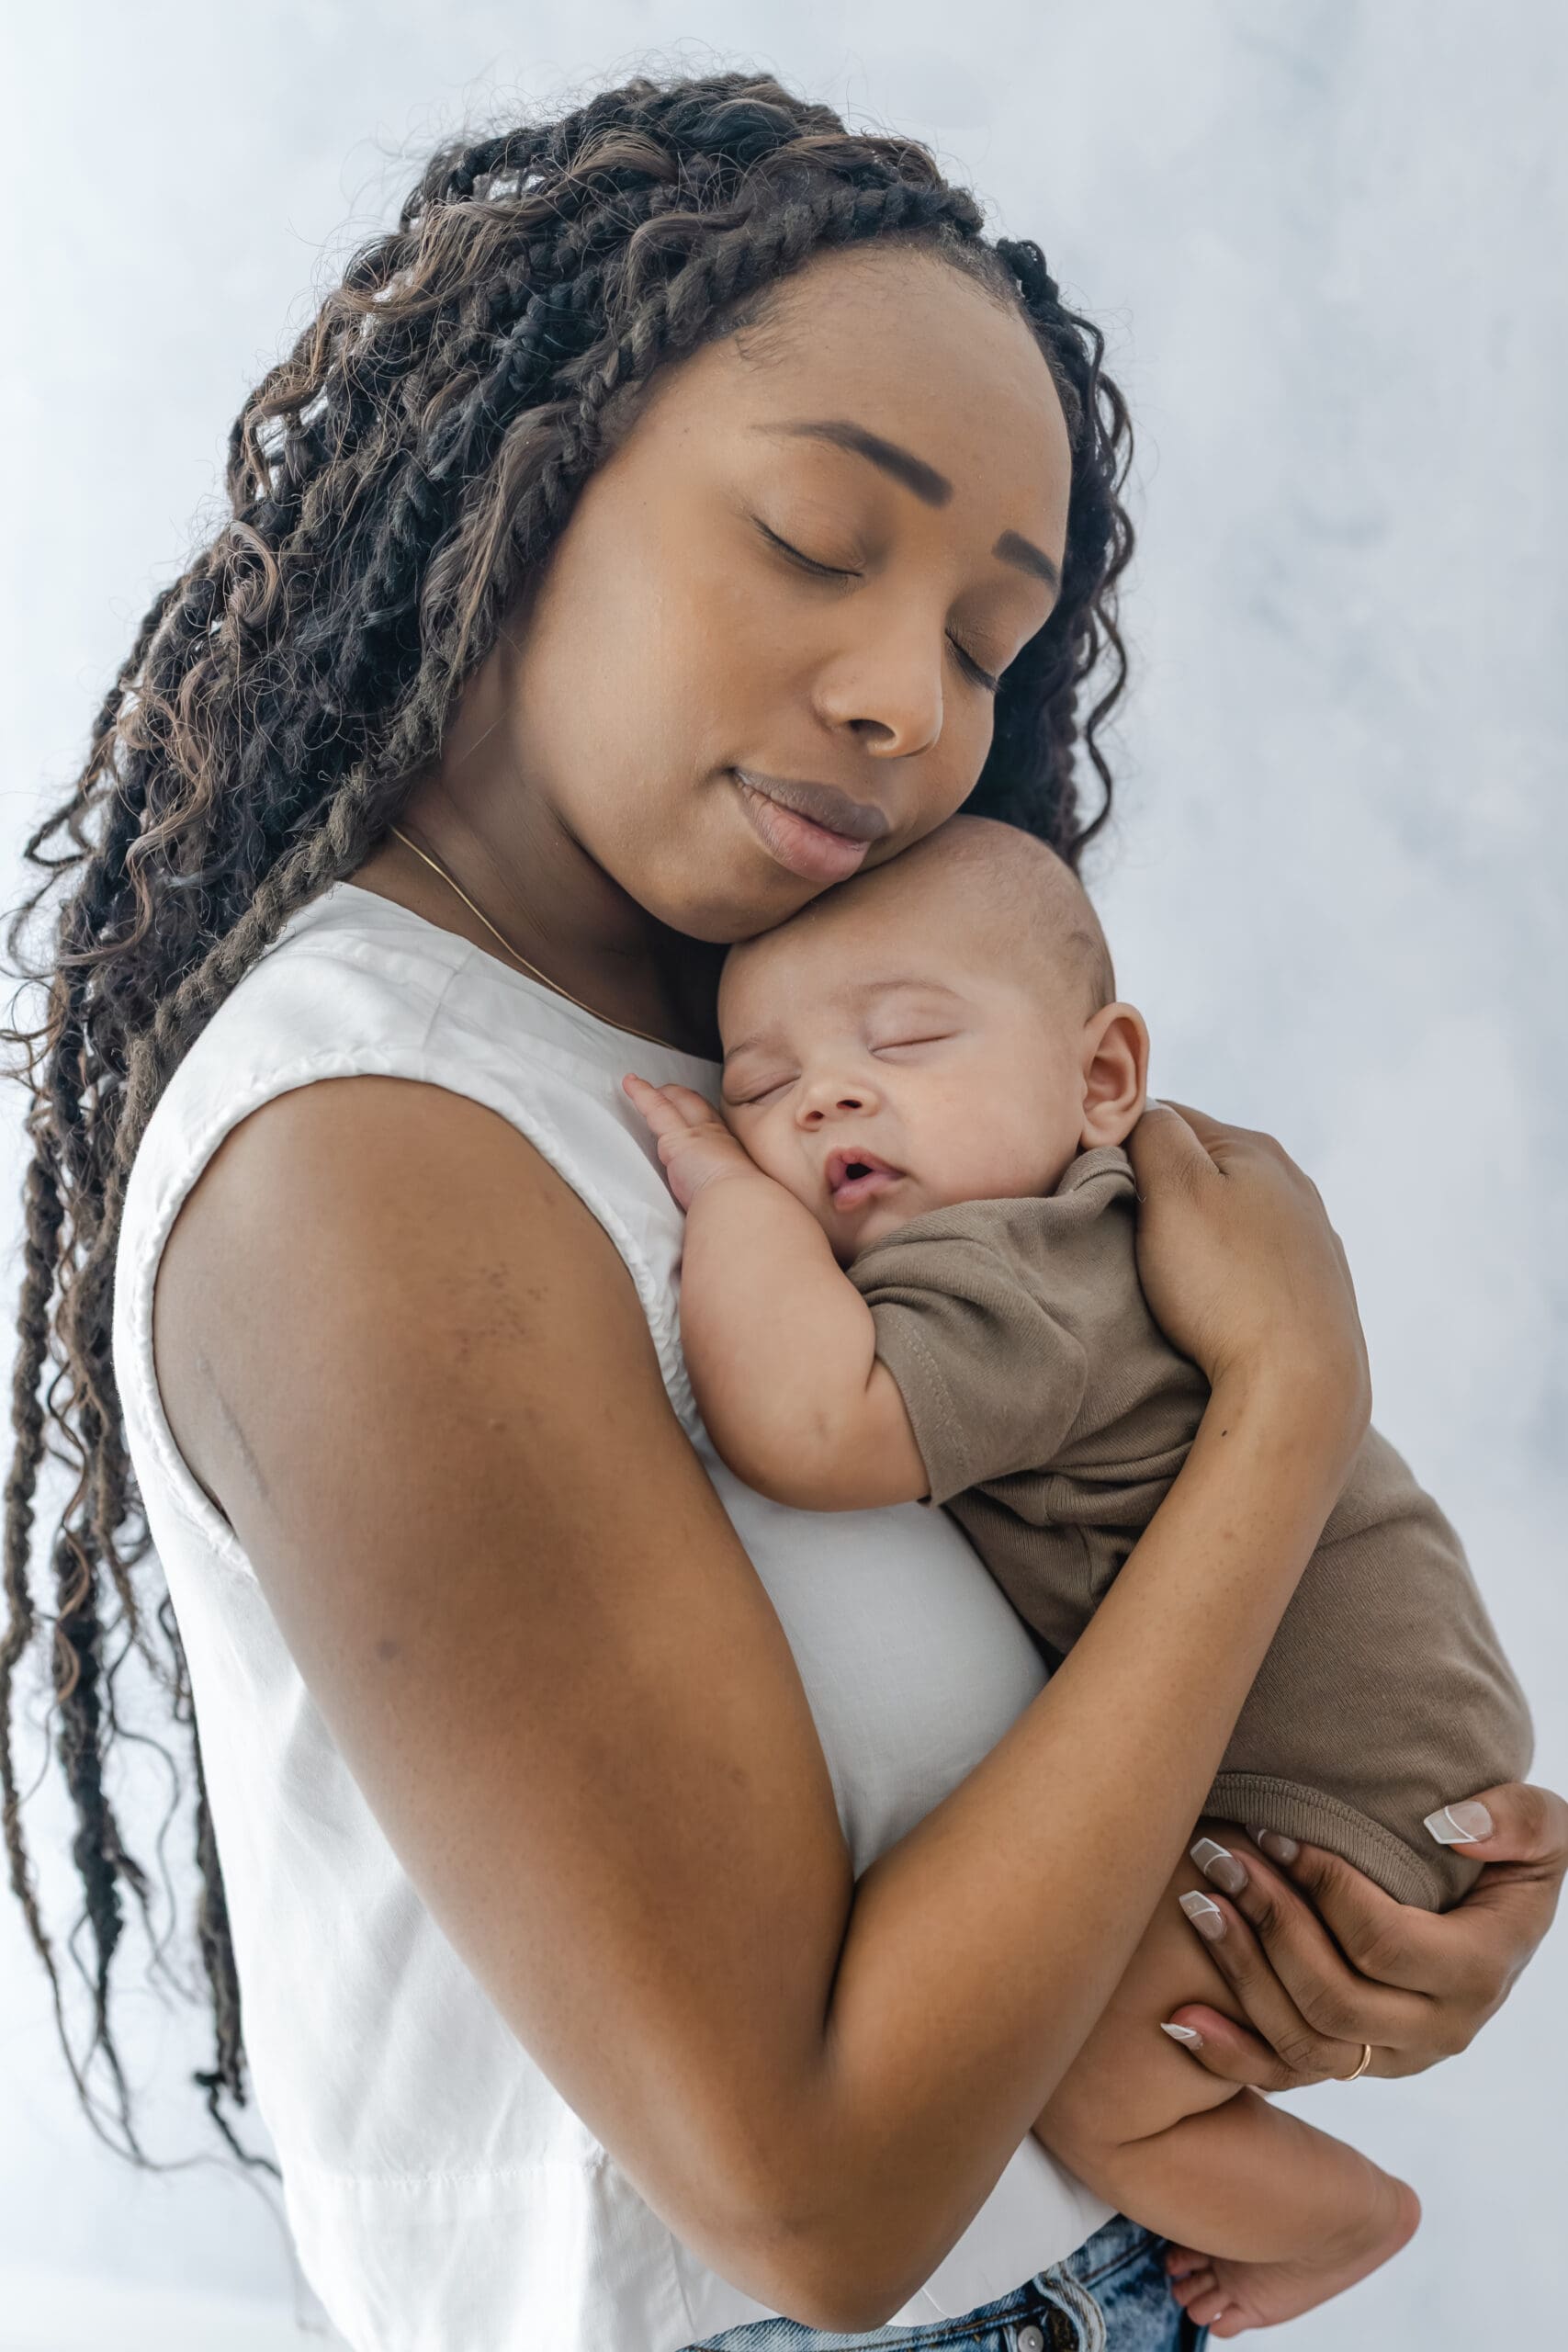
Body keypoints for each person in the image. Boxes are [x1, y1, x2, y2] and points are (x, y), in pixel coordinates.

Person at [2, 70, 1563, 2352]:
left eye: (983, 643)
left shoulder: (747, 1070)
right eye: (827, 540)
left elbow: (993, 1799)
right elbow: (812, 2189)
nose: (900, 703)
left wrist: (1325, 1906)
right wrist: (1282, 1404)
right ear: (520, 479)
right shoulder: (375, 1145)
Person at [624, 812, 1538, 2333]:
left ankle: (1344, 2220)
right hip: (1393, 1748)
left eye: (906, 1038)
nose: (824, 1094)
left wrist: (727, 1195)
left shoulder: (1023, 1270)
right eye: (763, 1086)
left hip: (1329, 1787)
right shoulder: (1077, 1248)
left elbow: (806, 1423)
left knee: (1089, 2081)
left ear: (1104, 1079)